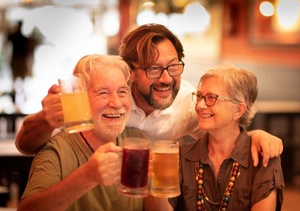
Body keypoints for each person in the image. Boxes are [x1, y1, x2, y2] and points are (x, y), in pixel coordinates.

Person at [15, 24, 283, 166]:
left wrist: (255, 135)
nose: (166, 78)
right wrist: (45, 119)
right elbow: (25, 145)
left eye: (173, 66)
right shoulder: (103, 96)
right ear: (130, 72)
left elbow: (224, 136)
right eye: (154, 69)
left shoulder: (190, 104)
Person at [15, 54, 148, 211]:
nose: (116, 103)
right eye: (103, 93)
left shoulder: (138, 142)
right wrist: (87, 176)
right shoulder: (58, 150)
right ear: (80, 98)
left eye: (122, 92)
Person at [145, 66, 284, 211]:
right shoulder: (180, 156)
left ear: (238, 110)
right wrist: (157, 182)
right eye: (199, 96)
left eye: (211, 98)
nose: (200, 105)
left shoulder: (262, 155)